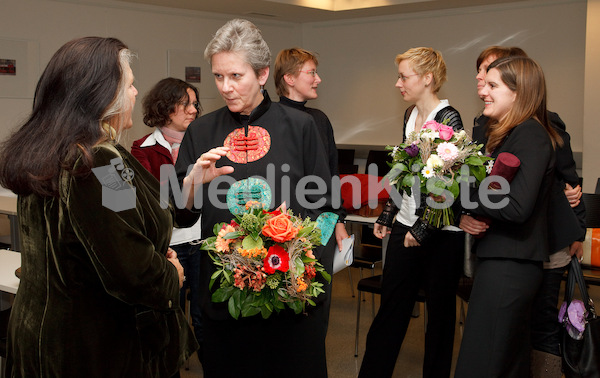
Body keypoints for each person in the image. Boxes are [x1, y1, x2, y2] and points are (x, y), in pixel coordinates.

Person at [0, 37, 197, 377]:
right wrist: (170, 274)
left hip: (44, 333)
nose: (136, 94)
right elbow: (130, 266)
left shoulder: (49, 150)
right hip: (93, 347)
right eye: (131, 85)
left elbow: (111, 230)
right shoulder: (100, 163)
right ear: (102, 94)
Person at [173, 19, 335, 377]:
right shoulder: (200, 131)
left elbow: (326, 208)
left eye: (235, 76)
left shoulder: (301, 127)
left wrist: (309, 276)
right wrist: (192, 186)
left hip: (291, 297)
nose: (226, 87)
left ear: (262, 74)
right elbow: (181, 217)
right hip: (223, 297)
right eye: (218, 77)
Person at [462, 46, 586, 377]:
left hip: (511, 264)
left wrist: (459, 194)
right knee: (507, 362)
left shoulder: (530, 134)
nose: (483, 92)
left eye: (493, 86)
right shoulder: (510, 132)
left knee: (483, 362)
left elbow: (517, 207)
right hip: (504, 258)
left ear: (519, 93)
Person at [358, 47, 465, 378]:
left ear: (427, 78)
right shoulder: (409, 116)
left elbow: (449, 187)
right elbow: (403, 171)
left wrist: (423, 231)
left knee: (439, 318)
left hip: (441, 235)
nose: (398, 83)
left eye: (404, 76)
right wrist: (388, 214)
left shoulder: (449, 119)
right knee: (391, 309)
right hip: (407, 226)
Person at [130, 77, 204, 360]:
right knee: (168, 314)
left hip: (205, 240)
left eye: (195, 104)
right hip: (170, 246)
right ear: (165, 107)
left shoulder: (203, 145)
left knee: (204, 316)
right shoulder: (142, 149)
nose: (193, 110)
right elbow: (151, 201)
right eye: (184, 104)